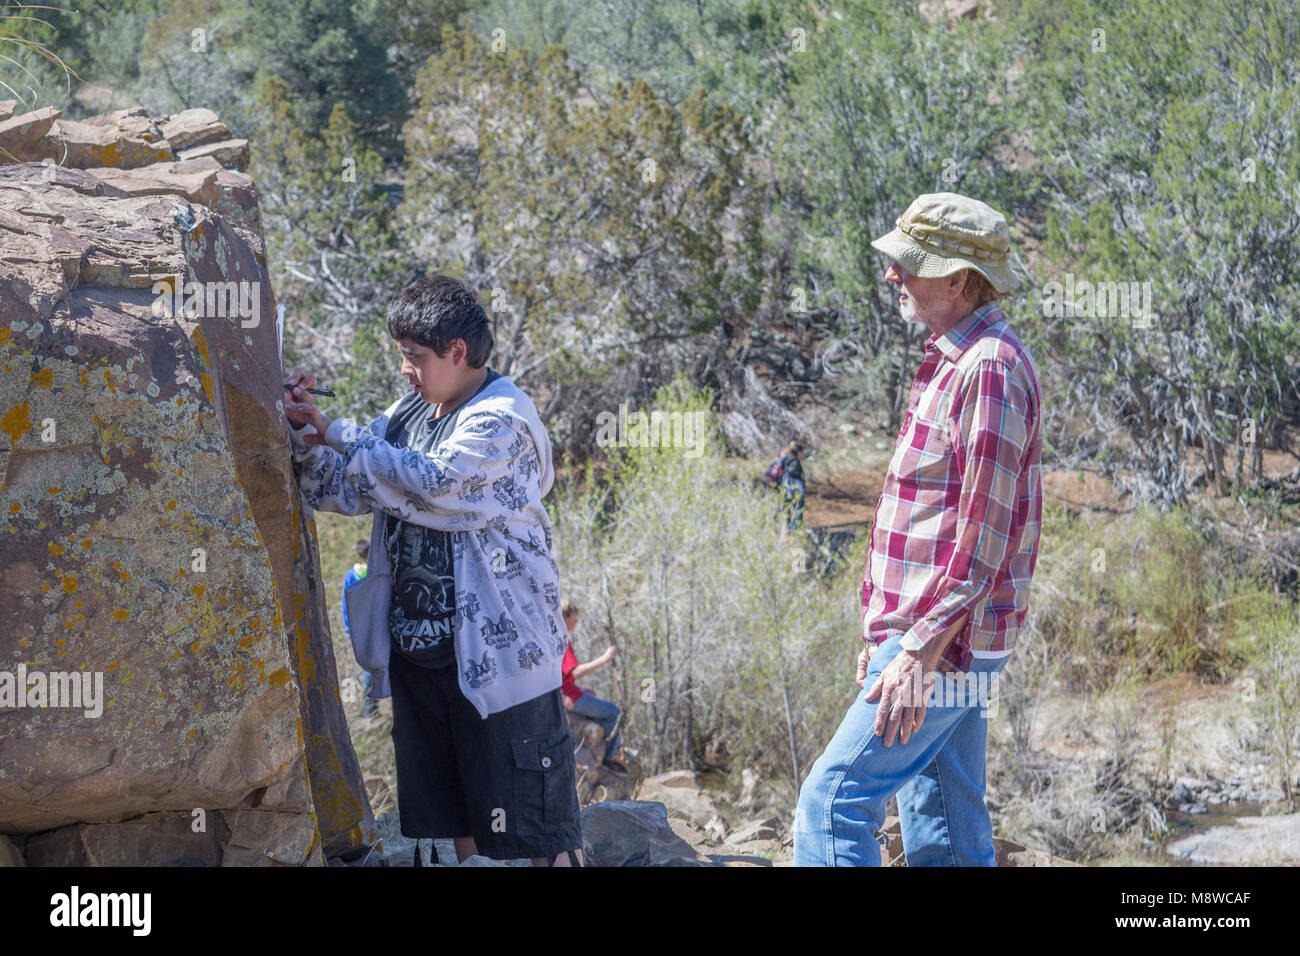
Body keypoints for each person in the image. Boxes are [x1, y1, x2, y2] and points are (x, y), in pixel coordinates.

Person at [284, 274, 582, 867]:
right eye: (402, 356)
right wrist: (298, 428)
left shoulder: (503, 419)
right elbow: (342, 485)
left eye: (414, 358)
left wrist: (336, 432)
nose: (405, 370)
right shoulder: (409, 413)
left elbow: (435, 485)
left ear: (458, 353)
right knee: (457, 814)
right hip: (422, 655)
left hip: (501, 662)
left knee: (523, 824)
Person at [795, 193, 1043, 867]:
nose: (891, 276)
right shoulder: (964, 357)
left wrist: (917, 649)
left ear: (959, 280)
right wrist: (889, 635)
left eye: (909, 263)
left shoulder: (986, 366)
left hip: (944, 646)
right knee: (944, 832)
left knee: (833, 805)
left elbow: (983, 532)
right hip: (943, 641)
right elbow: (937, 519)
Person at [559, 600, 628, 774]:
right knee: (614, 712)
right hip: (569, 697)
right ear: (565, 617)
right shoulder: (561, 639)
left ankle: (599, 749)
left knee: (597, 700)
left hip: (568, 693)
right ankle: (609, 756)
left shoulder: (555, 638)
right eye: (574, 618)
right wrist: (605, 658)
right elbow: (575, 672)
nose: (576, 622)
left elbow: (565, 676)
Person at [341, 539, 379, 717]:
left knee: (368, 668)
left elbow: (345, 604)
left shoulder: (351, 575)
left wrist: (349, 628)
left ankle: (370, 708)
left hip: (360, 629)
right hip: (378, 625)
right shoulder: (377, 570)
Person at [777, 441, 806, 531]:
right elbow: (792, 472)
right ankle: (795, 531)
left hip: (784, 486)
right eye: (803, 452)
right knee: (798, 509)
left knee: (786, 508)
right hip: (793, 488)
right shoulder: (795, 461)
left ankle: (785, 529)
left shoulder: (785, 458)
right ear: (799, 452)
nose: (804, 454)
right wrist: (801, 476)